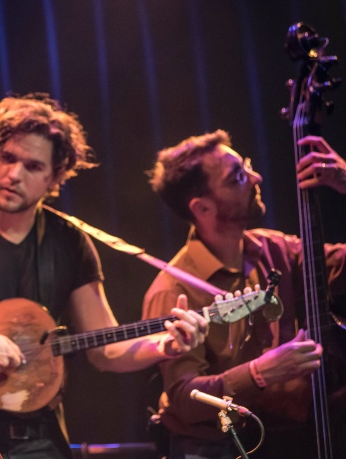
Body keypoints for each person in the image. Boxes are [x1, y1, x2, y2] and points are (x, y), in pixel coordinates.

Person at [0, 92, 209, 459]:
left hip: (35, 437)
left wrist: (163, 346)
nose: (14, 174)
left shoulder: (69, 242)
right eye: (7, 158)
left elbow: (104, 349)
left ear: (55, 177)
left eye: (33, 167)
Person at [141, 129, 346, 459]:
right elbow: (184, 398)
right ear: (203, 208)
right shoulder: (173, 290)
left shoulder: (274, 248)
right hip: (218, 449)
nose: (256, 177)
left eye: (246, 165)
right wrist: (259, 374)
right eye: (237, 176)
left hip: (285, 440)